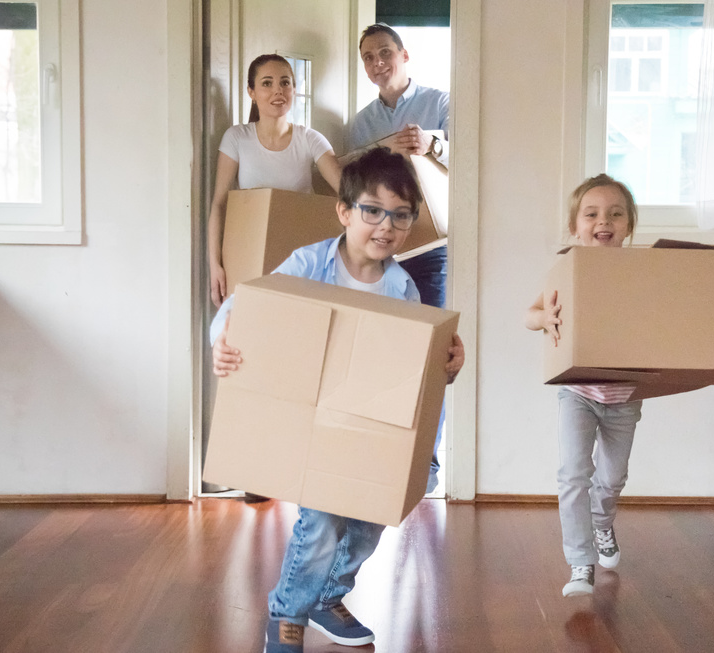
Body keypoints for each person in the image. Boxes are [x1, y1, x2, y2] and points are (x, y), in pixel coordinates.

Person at [210, 148, 465, 653]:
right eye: (372, 211)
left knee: (370, 520)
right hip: (315, 418)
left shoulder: (402, 287)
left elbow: (413, 367)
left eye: (400, 215)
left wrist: (447, 367)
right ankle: (288, 613)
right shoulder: (310, 263)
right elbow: (248, 306)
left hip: (367, 423)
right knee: (322, 521)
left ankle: (329, 597)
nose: (385, 226)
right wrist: (224, 339)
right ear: (345, 212)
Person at [524, 173, 641, 598]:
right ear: (576, 227)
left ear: (629, 225)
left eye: (615, 214)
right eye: (591, 214)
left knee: (611, 480)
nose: (603, 222)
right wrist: (547, 319)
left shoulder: (643, 272)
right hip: (577, 393)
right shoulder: (567, 268)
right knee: (574, 474)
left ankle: (602, 522)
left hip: (625, 396)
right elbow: (530, 315)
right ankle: (580, 562)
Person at [350, 23, 450, 492]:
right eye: (369, 56)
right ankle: (382, 457)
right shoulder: (361, 124)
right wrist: (382, 148)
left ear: (404, 55)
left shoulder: (442, 103)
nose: (378, 63)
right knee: (382, 355)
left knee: (432, 355)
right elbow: (348, 179)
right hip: (378, 250)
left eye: (385, 53)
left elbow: (473, 159)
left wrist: (432, 143)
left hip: (431, 249)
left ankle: (426, 467)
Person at [207, 53, 342, 307]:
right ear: (251, 92)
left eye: (285, 82)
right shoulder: (237, 138)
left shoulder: (310, 139)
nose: (278, 91)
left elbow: (348, 193)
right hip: (248, 256)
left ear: (294, 89)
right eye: (267, 83)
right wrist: (215, 265)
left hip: (301, 261)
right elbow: (219, 205)